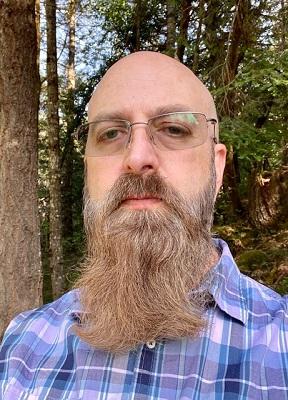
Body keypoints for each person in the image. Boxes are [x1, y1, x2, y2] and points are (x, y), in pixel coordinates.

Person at [0, 51, 287, 400]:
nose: (137, 158)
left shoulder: (280, 344)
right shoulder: (22, 347)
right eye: (110, 133)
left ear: (217, 168)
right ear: (89, 169)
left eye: (173, 129)